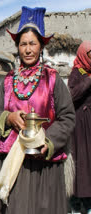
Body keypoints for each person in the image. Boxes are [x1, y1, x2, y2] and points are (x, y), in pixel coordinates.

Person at [0, 6, 75, 214]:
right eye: (23, 44)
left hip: (45, 167)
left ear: (41, 46)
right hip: (14, 166)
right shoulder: (8, 82)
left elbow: (67, 117)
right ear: (17, 47)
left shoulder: (52, 79)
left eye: (32, 44)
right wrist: (8, 117)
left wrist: (49, 141)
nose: (28, 49)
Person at [68, 40, 91, 214]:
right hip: (80, 127)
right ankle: (79, 202)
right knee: (82, 162)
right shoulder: (77, 72)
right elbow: (72, 95)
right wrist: (89, 80)